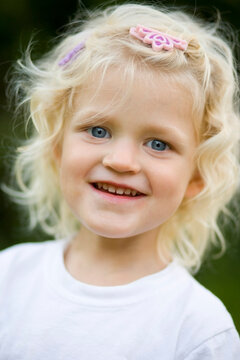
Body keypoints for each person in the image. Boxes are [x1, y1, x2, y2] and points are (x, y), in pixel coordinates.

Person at [1, 3, 240, 359]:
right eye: (98, 130)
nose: (121, 161)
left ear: (197, 176)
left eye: (159, 144)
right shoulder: (9, 278)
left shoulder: (199, 331)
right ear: (57, 146)